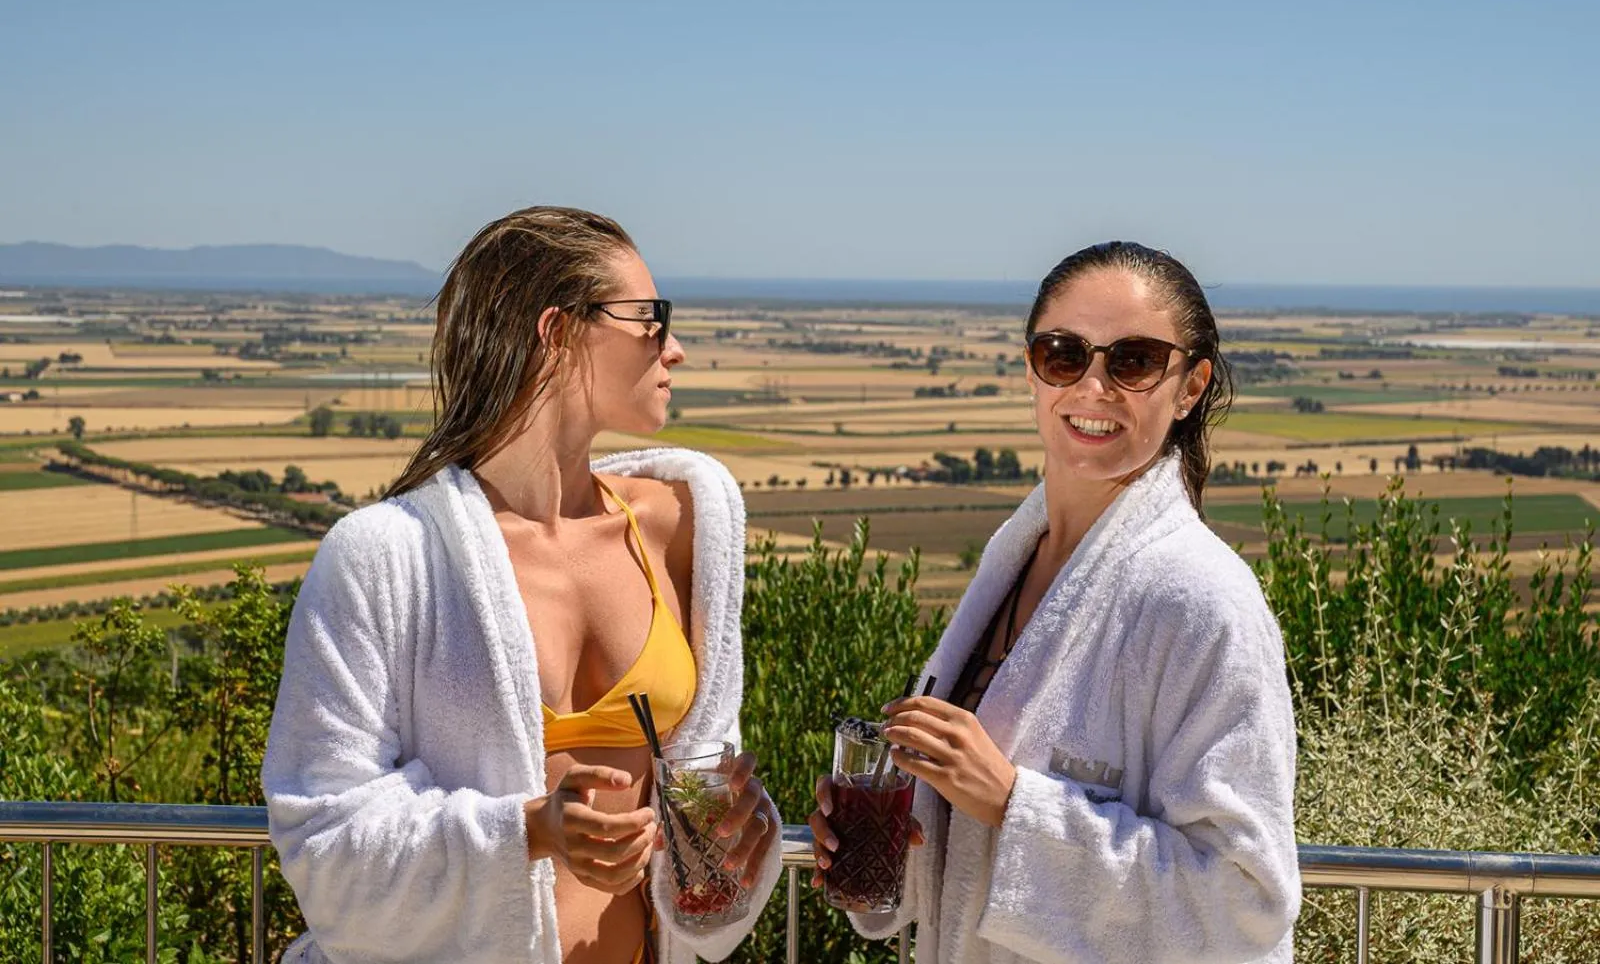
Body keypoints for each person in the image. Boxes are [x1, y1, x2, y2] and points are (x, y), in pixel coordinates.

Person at [262, 207, 783, 964]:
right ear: (558, 332)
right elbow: (325, 840)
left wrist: (732, 840)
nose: (675, 347)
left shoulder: (683, 531)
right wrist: (528, 831)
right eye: (650, 318)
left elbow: (701, 801)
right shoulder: (385, 557)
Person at [809, 241, 1300, 963]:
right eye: (1065, 354)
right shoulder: (1013, 564)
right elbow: (974, 855)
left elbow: (1245, 904)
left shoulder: (1201, 599)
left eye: (1132, 360)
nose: (1093, 387)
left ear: (1190, 386)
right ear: (1033, 368)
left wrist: (1015, 805)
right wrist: (891, 845)